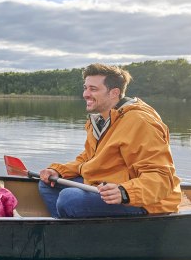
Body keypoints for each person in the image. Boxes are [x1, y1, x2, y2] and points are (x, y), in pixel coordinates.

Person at [38, 63, 181, 218]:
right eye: (85, 87)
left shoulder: (140, 122)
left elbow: (162, 177)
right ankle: (70, 233)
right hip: (106, 185)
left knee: (69, 198)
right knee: (48, 184)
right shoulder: (100, 120)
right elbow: (88, 159)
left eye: (93, 89)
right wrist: (59, 171)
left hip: (145, 202)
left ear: (114, 93)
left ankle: (74, 234)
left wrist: (125, 192)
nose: (85, 94)